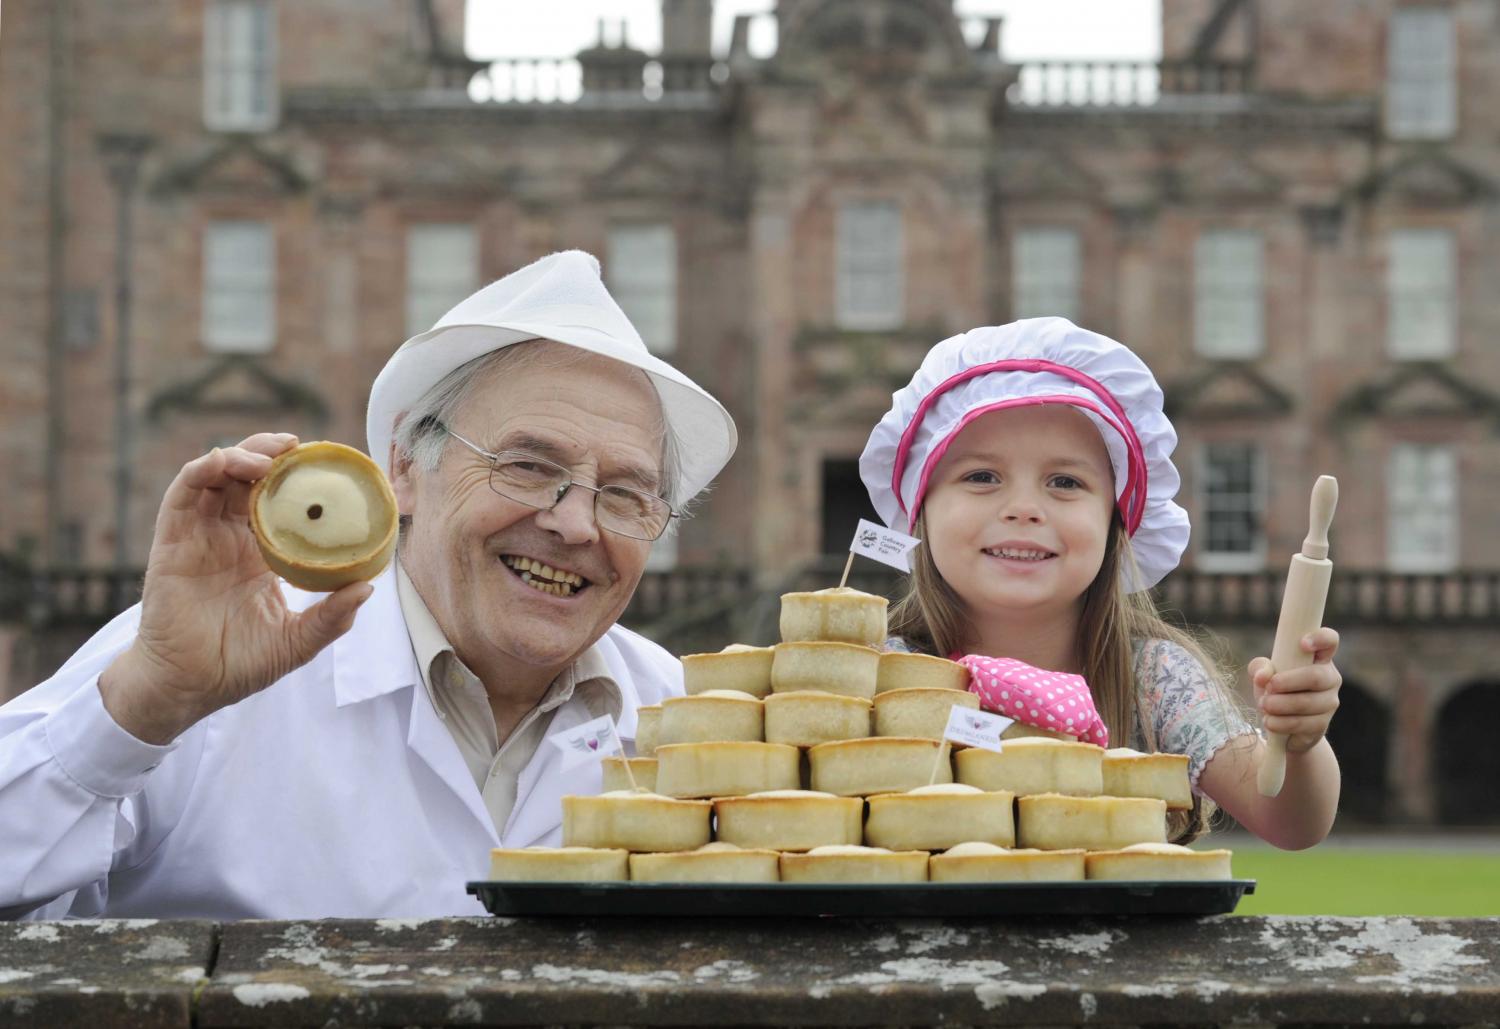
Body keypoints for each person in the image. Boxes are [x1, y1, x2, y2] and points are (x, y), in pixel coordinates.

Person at [0, 250, 737, 918]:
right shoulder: (204, 666)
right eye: (529, 466)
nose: (576, 523)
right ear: (406, 469)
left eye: (624, 494)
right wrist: (147, 701)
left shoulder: (694, 720)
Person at [859, 317, 1341, 848]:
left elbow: (1290, 822)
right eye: (981, 477)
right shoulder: (877, 674)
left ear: (1116, 525)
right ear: (919, 510)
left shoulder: (1152, 679)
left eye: (1065, 482)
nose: (1023, 509)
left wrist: (1296, 744)